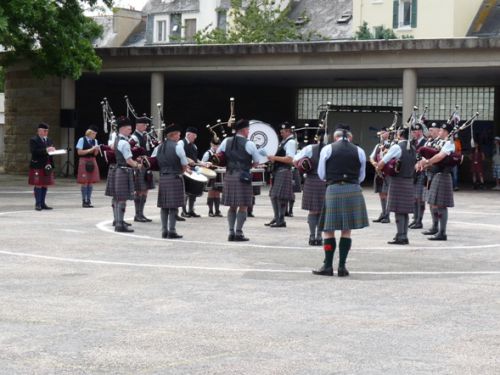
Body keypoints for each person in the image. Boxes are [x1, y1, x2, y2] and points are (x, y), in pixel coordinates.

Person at [313, 125, 369, 277]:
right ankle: (342, 267)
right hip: (353, 189)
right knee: (347, 229)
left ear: (334, 137)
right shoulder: (359, 150)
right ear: (350, 138)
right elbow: (362, 175)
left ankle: (328, 266)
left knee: (328, 229)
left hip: (334, 188)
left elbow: (321, 173)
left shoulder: (328, 149)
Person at [218, 119, 261, 241]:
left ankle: (231, 232)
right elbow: (257, 162)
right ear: (244, 130)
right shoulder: (249, 144)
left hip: (229, 175)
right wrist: (249, 166)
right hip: (243, 176)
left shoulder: (226, 141)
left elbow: (218, 155)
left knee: (232, 206)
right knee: (243, 206)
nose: (249, 132)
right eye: (248, 130)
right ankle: (238, 232)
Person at [377, 127, 417, 245]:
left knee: (398, 210)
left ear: (400, 135)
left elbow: (383, 161)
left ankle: (401, 236)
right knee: (404, 211)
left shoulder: (397, 147)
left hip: (398, 181)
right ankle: (403, 235)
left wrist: (379, 169)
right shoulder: (413, 148)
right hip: (409, 180)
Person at [419, 122, 456, 241]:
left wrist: (427, 162)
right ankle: (436, 228)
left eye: (440, 130)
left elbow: (440, 156)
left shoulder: (449, 143)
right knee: (434, 203)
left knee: (441, 205)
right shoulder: (439, 142)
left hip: (442, 175)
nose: (439, 132)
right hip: (435, 174)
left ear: (446, 132)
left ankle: (442, 232)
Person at [104, 117, 142, 233]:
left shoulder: (116, 140)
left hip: (117, 170)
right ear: (123, 129)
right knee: (122, 199)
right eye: (129, 129)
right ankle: (120, 224)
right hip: (123, 171)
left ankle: (117, 221)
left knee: (116, 197)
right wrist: (138, 165)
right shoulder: (124, 143)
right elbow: (129, 160)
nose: (130, 131)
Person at [293, 128, 327, 246]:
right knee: (323, 211)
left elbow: (295, 161)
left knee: (313, 211)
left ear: (316, 137)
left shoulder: (309, 148)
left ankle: (312, 236)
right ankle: (319, 236)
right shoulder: (331, 149)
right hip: (326, 182)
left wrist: (304, 166)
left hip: (311, 180)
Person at [156, 123, 189, 239]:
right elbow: (184, 164)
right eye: (178, 135)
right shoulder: (177, 146)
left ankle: (164, 231)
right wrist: (182, 171)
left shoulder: (159, 147)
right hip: (175, 177)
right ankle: (172, 231)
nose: (179, 137)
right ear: (173, 135)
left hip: (163, 178)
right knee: (174, 206)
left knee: (164, 206)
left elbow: (154, 161)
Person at [265, 122, 297, 228]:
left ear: (288, 131)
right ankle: (277, 217)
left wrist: (274, 158)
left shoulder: (291, 142)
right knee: (274, 195)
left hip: (284, 171)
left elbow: (290, 159)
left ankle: (281, 219)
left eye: (282, 132)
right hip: (278, 171)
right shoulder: (284, 142)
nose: (281, 133)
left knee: (280, 197)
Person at [130, 116, 155, 222]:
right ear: (138, 125)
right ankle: (137, 215)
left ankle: (141, 213)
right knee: (139, 190)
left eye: (146, 125)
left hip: (146, 165)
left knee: (145, 190)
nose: (145, 127)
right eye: (144, 125)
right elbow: (134, 152)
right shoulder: (134, 137)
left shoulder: (146, 136)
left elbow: (149, 149)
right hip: (139, 166)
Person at [28, 123, 56, 211]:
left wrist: (54, 151)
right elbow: (34, 152)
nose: (46, 132)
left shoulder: (49, 140)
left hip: (47, 164)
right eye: (44, 131)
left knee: (45, 184)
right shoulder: (34, 140)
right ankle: (38, 204)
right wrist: (46, 150)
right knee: (38, 184)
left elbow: (50, 153)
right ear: (39, 131)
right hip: (37, 164)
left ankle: (43, 203)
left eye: (47, 131)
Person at [369, 127, 391, 223]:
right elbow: (371, 156)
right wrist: (374, 163)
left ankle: (387, 215)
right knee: (381, 193)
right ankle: (383, 213)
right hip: (379, 172)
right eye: (381, 133)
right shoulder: (378, 145)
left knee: (387, 194)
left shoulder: (392, 144)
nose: (382, 135)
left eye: (384, 133)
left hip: (387, 172)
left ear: (388, 133)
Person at [76, 125, 100, 207]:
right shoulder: (82, 139)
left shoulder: (95, 141)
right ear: (89, 133)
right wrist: (90, 149)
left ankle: (88, 200)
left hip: (92, 160)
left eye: (95, 134)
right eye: (93, 133)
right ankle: (84, 200)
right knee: (84, 181)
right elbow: (79, 152)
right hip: (84, 160)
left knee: (90, 181)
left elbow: (95, 154)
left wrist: (97, 150)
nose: (94, 135)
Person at [181, 127, 203, 218]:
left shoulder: (194, 146)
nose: (195, 138)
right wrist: (187, 160)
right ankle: (183, 211)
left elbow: (195, 158)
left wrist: (201, 163)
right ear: (188, 134)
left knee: (193, 191)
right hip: (185, 170)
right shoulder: (181, 143)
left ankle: (191, 210)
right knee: (185, 191)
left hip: (193, 170)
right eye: (194, 136)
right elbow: (179, 155)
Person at [409, 123, 427, 229]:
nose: (414, 134)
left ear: (420, 131)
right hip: (413, 173)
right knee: (414, 198)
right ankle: (415, 218)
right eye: (412, 132)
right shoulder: (412, 143)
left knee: (419, 198)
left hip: (421, 172)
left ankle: (419, 221)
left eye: (415, 131)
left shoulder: (425, 143)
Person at [202, 137, 223, 217]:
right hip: (210, 175)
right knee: (211, 193)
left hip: (218, 175)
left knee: (217, 193)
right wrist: (207, 164)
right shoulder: (208, 153)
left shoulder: (220, 153)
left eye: (217, 145)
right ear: (211, 144)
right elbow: (203, 164)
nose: (216, 147)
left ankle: (217, 210)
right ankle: (210, 211)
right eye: (214, 145)